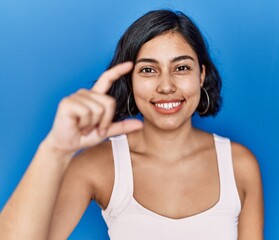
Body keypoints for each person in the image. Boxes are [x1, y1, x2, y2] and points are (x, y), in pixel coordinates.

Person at [0, 10, 263, 240]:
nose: (166, 85)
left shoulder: (239, 165)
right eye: (148, 70)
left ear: (201, 75)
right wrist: (55, 150)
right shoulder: (98, 166)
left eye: (181, 68)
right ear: (130, 80)